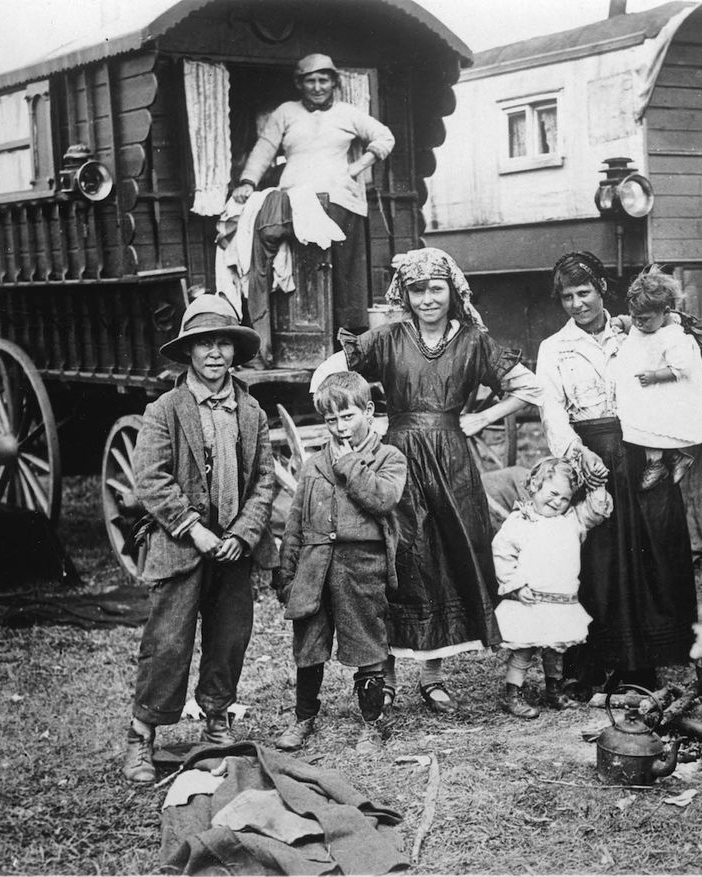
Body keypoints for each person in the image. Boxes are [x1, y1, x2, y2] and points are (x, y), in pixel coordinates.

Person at [323, 247, 541, 714]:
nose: (426, 299)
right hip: (397, 457)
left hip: (452, 461)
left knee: (443, 555)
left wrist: (484, 419)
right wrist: (366, 422)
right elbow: (329, 377)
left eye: (435, 289)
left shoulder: (474, 341)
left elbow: (530, 387)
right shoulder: (388, 338)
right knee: (401, 556)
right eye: (417, 290)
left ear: (452, 291)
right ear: (405, 293)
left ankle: (433, 677)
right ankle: (384, 680)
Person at [123, 295, 276, 783]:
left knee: (230, 637)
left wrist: (242, 533)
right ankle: (141, 737)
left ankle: (215, 720)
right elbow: (150, 477)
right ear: (187, 352)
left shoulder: (251, 412)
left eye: (224, 343)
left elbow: (265, 482)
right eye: (204, 344)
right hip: (182, 546)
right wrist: (195, 529)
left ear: (235, 351)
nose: (214, 354)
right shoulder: (164, 410)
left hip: (233, 549)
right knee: (168, 642)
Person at [537, 251, 697, 694]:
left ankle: (642, 663)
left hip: (644, 446)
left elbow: (677, 371)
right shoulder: (554, 348)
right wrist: (576, 453)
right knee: (599, 558)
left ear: (602, 288)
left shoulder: (636, 329)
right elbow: (552, 411)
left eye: (583, 292)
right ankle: (593, 663)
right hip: (591, 453)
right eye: (567, 296)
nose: (576, 303)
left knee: (650, 550)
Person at [232, 53, 396, 365]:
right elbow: (265, 148)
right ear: (300, 84)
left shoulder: (348, 113)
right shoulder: (286, 112)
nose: (318, 86)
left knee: (343, 274)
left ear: (334, 83)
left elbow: (384, 136)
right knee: (299, 270)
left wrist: (359, 165)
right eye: (310, 80)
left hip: (340, 200)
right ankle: (295, 346)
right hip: (295, 199)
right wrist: (248, 182)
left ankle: (348, 350)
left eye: (324, 80)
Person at [275, 371, 408, 751]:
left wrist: (350, 464)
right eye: (330, 420)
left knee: (366, 642)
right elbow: (296, 522)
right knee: (309, 643)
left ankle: (372, 723)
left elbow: (382, 499)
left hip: (362, 567)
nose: (338, 426)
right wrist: (288, 576)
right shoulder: (314, 464)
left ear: (367, 411)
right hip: (315, 567)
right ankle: (303, 719)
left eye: (347, 416)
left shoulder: (389, 457)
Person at [492, 457, 613, 718]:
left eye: (565, 498)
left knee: (555, 650)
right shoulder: (521, 520)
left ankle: (554, 690)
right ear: (535, 486)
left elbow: (597, 511)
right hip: (531, 600)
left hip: (560, 601)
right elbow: (502, 552)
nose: (558, 502)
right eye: (553, 493)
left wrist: (598, 486)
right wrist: (515, 585)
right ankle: (514, 693)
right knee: (523, 649)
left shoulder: (572, 520)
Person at [612, 267, 702, 491]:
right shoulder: (646, 324)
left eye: (643, 319)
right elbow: (633, 322)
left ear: (665, 311)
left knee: (652, 425)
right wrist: (621, 321)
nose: (638, 324)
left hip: (665, 390)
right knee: (643, 425)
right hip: (646, 391)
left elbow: (681, 369)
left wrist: (656, 376)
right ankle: (673, 459)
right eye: (634, 317)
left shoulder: (675, 337)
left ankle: (656, 464)